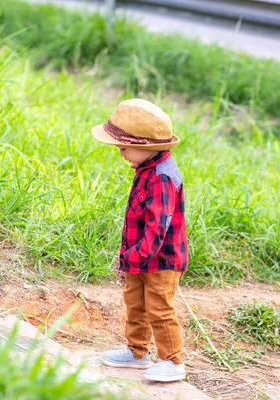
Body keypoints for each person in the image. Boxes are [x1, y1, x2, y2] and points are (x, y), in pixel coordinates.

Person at [91, 98, 189, 382]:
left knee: (158, 308)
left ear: (145, 147)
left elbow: (158, 228)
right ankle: (137, 353)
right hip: (139, 256)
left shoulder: (162, 177)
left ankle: (173, 361)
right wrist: (129, 258)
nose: (120, 153)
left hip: (161, 261)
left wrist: (133, 257)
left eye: (122, 148)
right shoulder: (145, 169)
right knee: (135, 303)